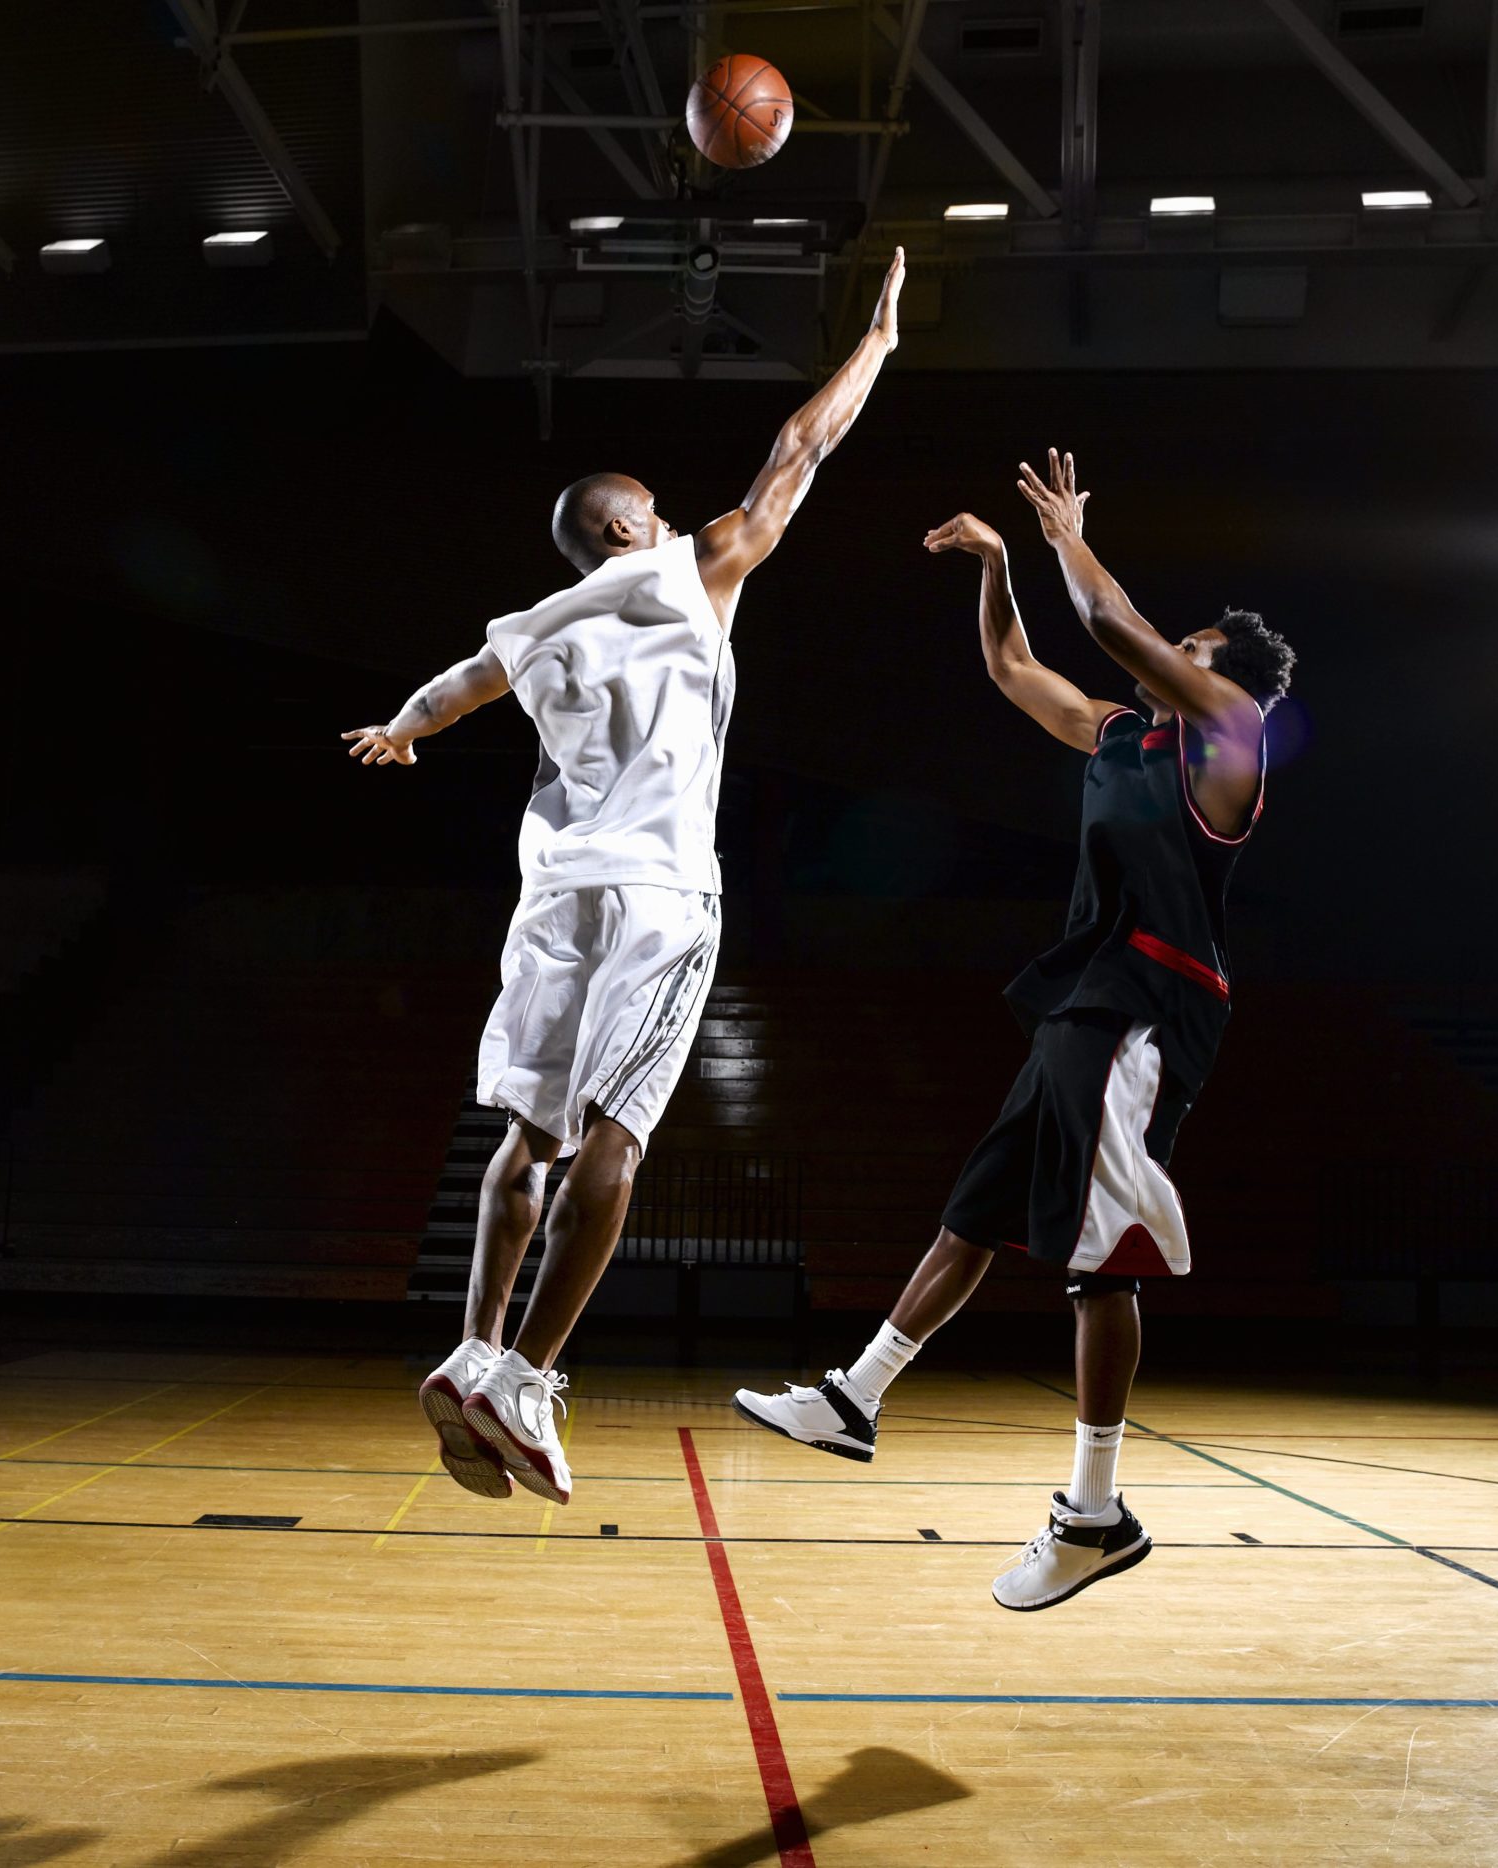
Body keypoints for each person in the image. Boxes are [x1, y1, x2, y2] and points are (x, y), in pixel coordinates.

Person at [344, 252, 912, 1506]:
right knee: (619, 1137)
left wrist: (402, 727)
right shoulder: (686, 572)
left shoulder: (537, 623)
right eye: (649, 509)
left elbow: (455, 688)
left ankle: (475, 1341)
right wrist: (871, 343)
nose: (668, 519)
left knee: (526, 1138)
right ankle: (528, 1375)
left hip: (552, 898)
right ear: (623, 529)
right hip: (658, 893)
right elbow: (796, 453)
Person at [731, 450, 1295, 1609]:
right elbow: (1012, 664)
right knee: (978, 1209)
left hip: (1151, 1002)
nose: (1168, 651)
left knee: (1096, 1263)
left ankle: (1094, 1512)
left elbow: (1108, 616)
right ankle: (857, 1395)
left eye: (1185, 647)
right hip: (1085, 996)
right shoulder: (1119, 739)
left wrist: (1062, 531)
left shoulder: (1231, 734)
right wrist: (995, 567)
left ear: (1214, 675)